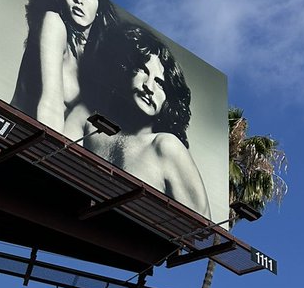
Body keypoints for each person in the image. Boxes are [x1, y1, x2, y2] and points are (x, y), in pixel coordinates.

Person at [67, 23, 210, 217]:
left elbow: (204, 233)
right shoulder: (89, 118)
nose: (149, 86)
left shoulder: (166, 146)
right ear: (124, 69)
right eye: (142, 70)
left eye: (160, 83)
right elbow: (56, 166)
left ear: (169, 98)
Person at [11, 0, 117, 134]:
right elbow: (51, 103)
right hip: (20, 137)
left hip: (57, 149)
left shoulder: (96, 56)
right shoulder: (54, 22)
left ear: (99, 8)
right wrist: (46, 153)